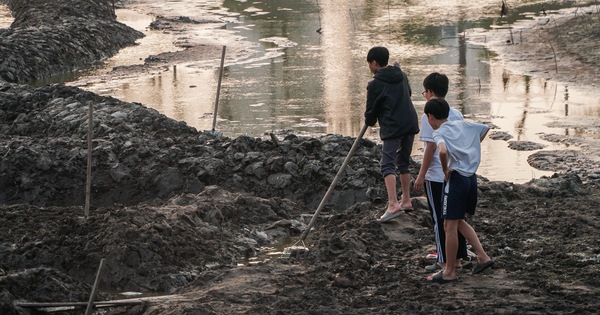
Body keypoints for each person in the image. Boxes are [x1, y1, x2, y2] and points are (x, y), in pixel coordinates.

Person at [424, 98, 495, 283]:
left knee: (449, 226)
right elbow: (485, 128)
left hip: (456, 180)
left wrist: (445, 169)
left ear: (430, 117)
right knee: (459, 222)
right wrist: (469, 148)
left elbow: (441, 151)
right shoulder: (463, 125)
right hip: (471, 179)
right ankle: (483, 257)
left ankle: (449, 271)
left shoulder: (439, 133)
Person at [413, 73, 468, 272]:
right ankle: (458, 258)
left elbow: (430, 148)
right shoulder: (456, 113)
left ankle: (443, 260)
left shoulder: (428, 116)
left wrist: (421, 175)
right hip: (455, 172)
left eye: (425, 92)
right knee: (456, 218)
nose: (424, 95)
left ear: (430, 92)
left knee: (439, 219)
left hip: (437, 174)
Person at [363, 46, 419, 223]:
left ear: (374, 63)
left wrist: (371, 116)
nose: (369, 68)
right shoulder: (400, 74)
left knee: (387, 164)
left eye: (369, 64)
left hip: (393, 127)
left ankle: (393, 204)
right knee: (403, 161)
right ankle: (407, 200)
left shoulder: (375, 84)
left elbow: (370, 117)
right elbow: (408, 93)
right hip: (409, 122)